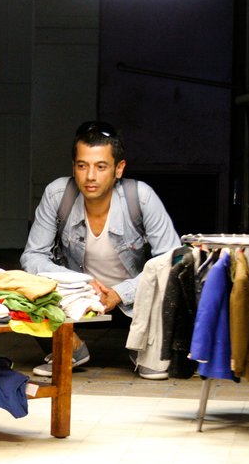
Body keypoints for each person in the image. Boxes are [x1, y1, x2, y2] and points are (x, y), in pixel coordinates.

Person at [21, 121, 181, 378]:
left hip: (135, 299)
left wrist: (120, 293)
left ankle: (146, 348)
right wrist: (80, 283)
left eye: (101, 166)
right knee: (20, 284)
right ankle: (69, 348)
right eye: (82, 166)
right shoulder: (57, 194)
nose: (90, 176)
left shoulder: (140, 196)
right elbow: (33, 256)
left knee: (172, 281)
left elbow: (172, 260)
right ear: (74, 167)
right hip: (78, 297)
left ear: (119, 168)